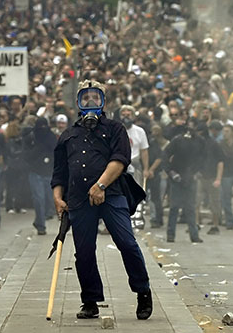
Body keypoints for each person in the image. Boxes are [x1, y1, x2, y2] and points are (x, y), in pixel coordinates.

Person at [51, 80, 152, 320]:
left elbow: (120, 159)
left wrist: (101, 185)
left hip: (111, 194)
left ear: (103, 101)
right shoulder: (68, 135)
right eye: (85, 98)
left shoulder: (115, 129)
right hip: (78, 199)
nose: (90, 103)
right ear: (77, 102)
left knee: (127, 243)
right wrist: (57, 197)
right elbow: (59, 172)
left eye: (95, 98)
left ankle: (143, 292)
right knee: (84, 252)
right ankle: (90, 300)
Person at [164, 120, 205, 243]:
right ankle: (171, 234)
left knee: (190, 207)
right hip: (178, 176)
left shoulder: (200, 141)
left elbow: (203, 158)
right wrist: (171, 172)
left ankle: (194, 235)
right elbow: (165, 155)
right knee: (175, 207)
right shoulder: (177, 140)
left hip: (190, 177)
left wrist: (197, 172)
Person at [24, 117, 57, 235]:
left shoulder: (51, 137)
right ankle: (41, 226)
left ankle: (39, 221)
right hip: (35, 172)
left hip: (48, 172)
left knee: (48, 199)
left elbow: (56, 152)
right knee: (39, 199)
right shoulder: (31, 137)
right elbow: (25, 154)